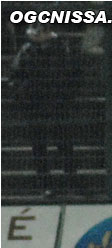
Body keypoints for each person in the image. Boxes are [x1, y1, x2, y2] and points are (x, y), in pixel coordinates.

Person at [10, 23, 77, 196]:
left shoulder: (60, 49)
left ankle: (71, 180)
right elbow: (16, 77)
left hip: (54, 104)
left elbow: (70, 75)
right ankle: (46, 184)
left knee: (63, 144)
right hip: (37, 105)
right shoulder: (27, 50)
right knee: (41, 147)